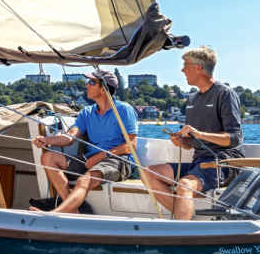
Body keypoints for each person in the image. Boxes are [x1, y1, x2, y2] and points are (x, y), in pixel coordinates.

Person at [148, 46, 243, 220]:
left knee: (185, 184)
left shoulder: (225, 94)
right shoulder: (192, 99)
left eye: (186, 65)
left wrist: (199, 134)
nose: (182, 70)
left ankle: (180, 232)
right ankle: (185, 219)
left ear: (199, 68)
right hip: (198, 162)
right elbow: (191, 142)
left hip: (222, 162)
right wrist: (182, 141)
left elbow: (235, 138)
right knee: (149, 172)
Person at [30, 69, 138, 214]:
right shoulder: (87, 112)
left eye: (92, 82)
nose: (87, 85)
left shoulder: (124, 110)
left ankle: (57, 213)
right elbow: (70, 138)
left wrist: (100, 157)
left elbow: (131, 146)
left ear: (104, 88)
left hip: (118, 160)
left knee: (83, 181)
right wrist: (46, 140)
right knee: (48, 157)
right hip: (90, 160)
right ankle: (74, 211)